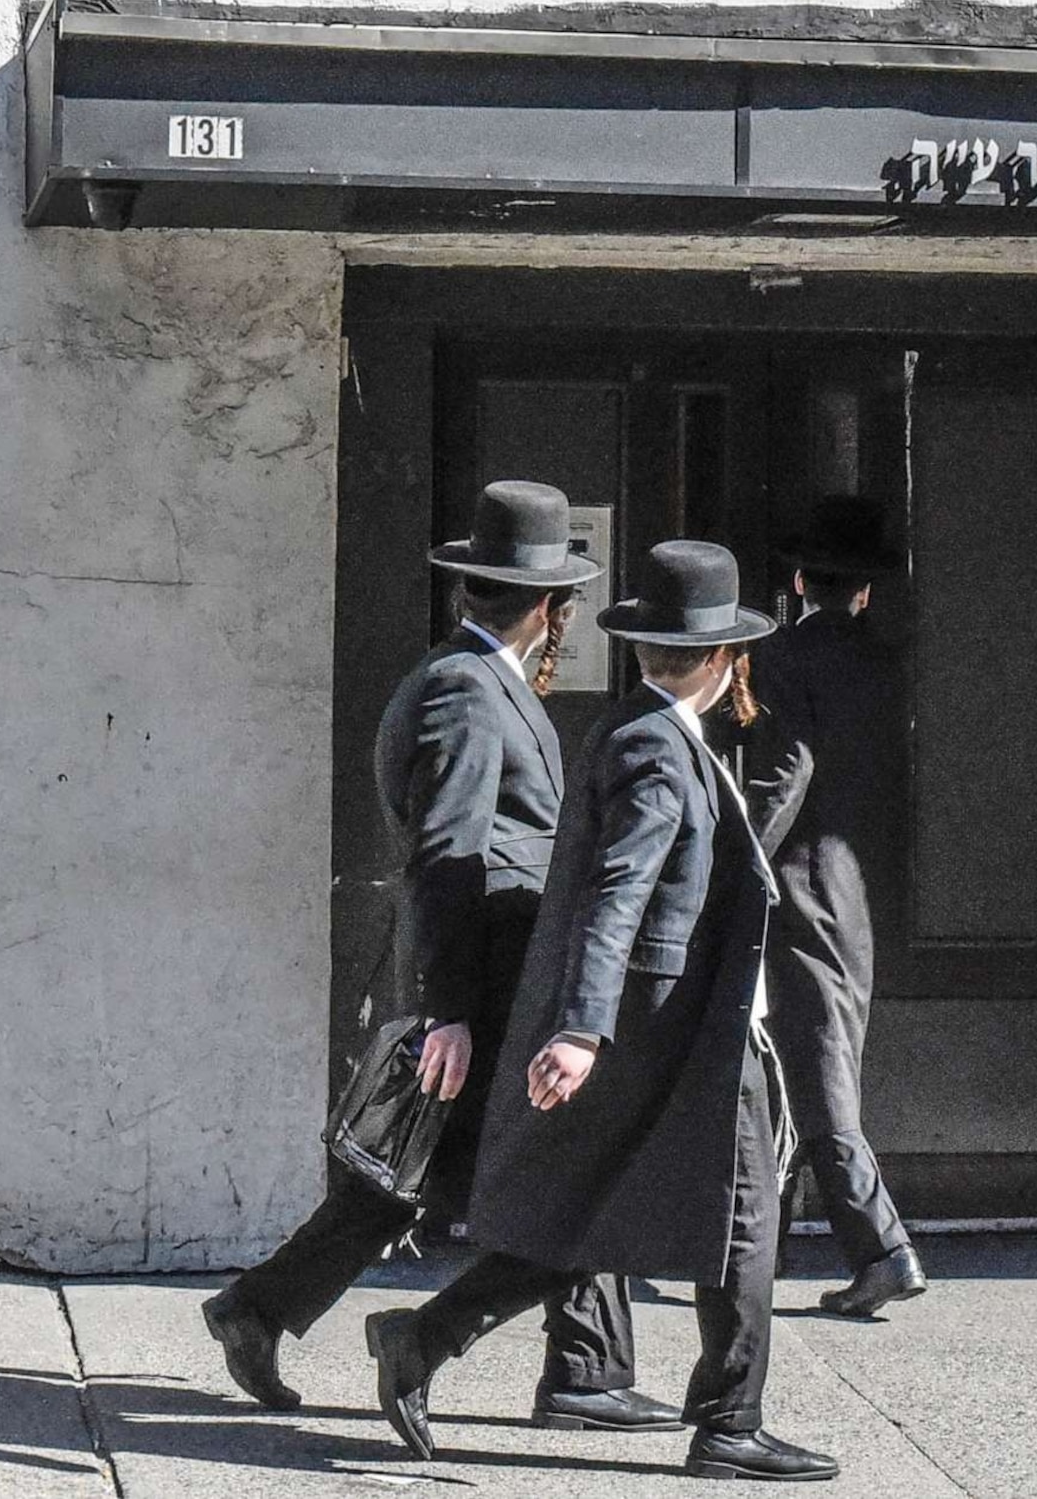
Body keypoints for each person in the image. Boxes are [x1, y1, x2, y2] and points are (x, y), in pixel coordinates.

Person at [201, 482, 674, 1433]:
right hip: (486, 984)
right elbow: (445, 856)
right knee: (566, 1164)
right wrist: (446, 1006)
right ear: (549, 607)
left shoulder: (474, 678)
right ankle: (576, 1368)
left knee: (417, 1174)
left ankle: (265, 1309)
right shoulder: (465, 690)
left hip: (498, 976)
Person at [364, 539, 839, 1483]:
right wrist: (580, 1028)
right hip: (674, 1034)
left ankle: (423, 1338)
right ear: (720, 658)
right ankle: (730, 1423)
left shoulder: (641, 731)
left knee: (598, 1210)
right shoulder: (659, 749)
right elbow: (615, 894)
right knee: (743, 1221)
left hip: (662, 1026)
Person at [744, 495, 925, 1318]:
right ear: (867, 590)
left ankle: (882, 1247)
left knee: (816, 1072)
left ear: (800, 579)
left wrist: (740, 859)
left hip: (802, 880)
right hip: (858, 884)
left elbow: (786, 769)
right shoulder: (890, 662)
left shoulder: (782, 658)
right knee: (816, 1057)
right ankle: (762, 1239)